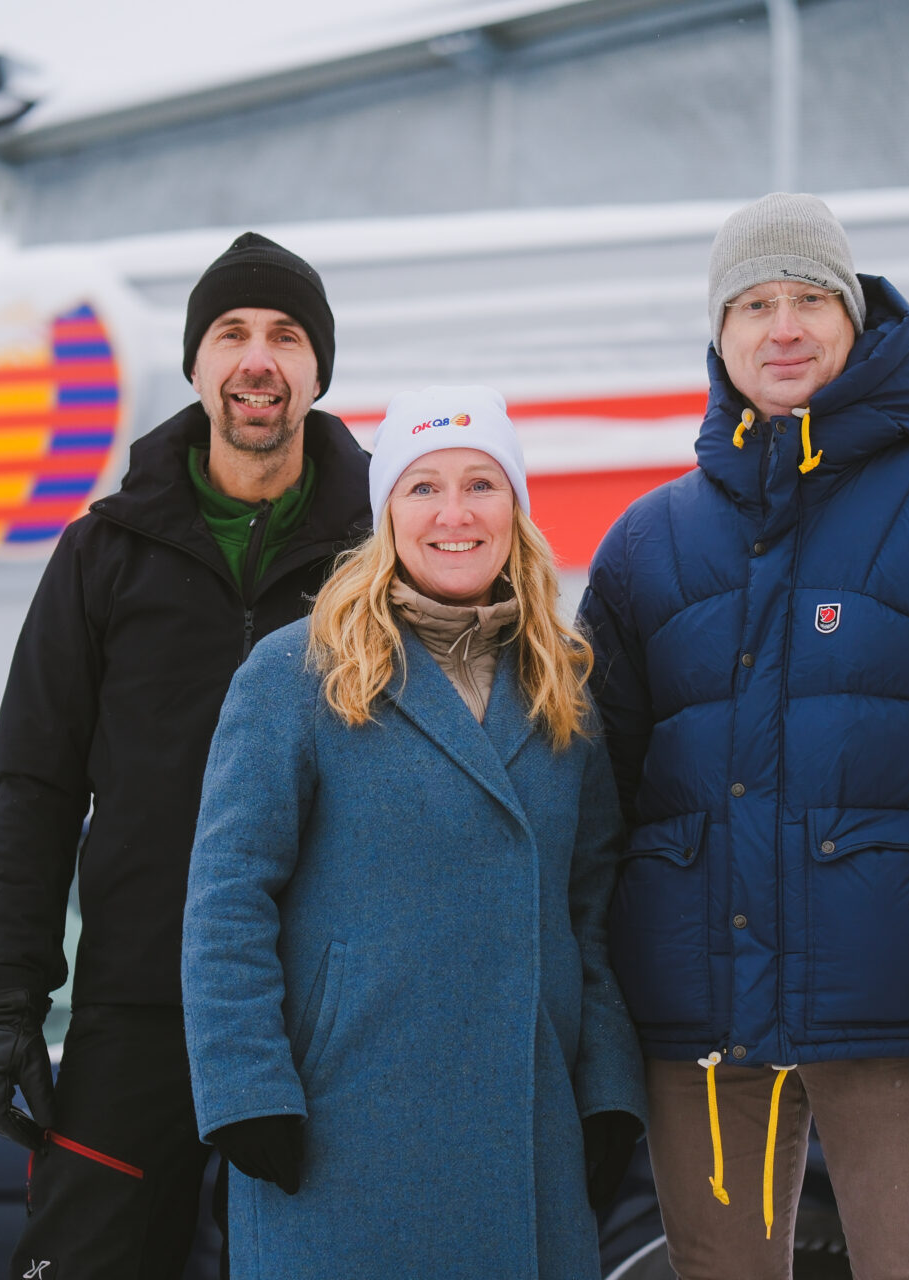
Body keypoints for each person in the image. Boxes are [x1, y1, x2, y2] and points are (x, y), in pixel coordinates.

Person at [579, 193, 909, 1279]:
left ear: (857, 318)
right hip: (702, 1020)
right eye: (755, 303)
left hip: (902, 1004)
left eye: (812, 298)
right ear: (720, 335)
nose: (784, 326)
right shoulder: (648, 545)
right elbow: (594, 781)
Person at [0, 232, 371, 1280]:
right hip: (140, 1009)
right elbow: (37, 791)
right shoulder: (104, 550)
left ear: (319, 368)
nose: (257, 359)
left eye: (285, 336)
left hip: (327, 1015)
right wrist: (9, 1001)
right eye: (231, 333)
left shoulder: (377, 552)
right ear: (196, 363)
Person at [180, 387, 648, 1279]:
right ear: (385, 514)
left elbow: (593, 912)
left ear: (515, 509)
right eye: (422, 488)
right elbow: (228, 898)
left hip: (528, 1132)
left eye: (482, 484)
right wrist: (245, 1092)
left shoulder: (563, 687)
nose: (455, 514)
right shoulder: (296, 671)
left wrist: (610, 1094)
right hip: (340, 1132)